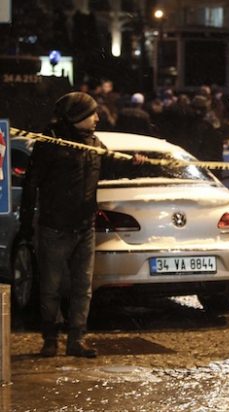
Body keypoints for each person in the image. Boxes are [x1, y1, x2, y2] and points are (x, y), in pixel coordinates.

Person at [19, 92, 145, 359]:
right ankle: (50, 339)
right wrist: (26, 223)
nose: (97, 118)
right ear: (77, 116)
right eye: (92, 114)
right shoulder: (50, 143)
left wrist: (133, 164)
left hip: (84, 228)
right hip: (54, 228)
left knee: (82, 288)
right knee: (51, 288)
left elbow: (110, 166)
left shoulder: (94, 143)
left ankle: (77, 339)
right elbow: (31, 183)